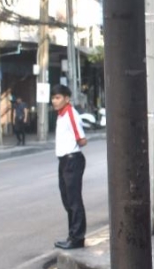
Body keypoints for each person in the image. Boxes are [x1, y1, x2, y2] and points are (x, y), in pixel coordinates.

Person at [51, 85, 88, 250]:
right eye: (53, 98)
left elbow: (82, 139)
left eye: (58, 97)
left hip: (72, 160)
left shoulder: (71, 114)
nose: (54, 101)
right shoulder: (61, 115)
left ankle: (77, 238)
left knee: (74, 200)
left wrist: (72, 149)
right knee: (67, 199)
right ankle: (72, 235)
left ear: (67, 99)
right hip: (64, 161)